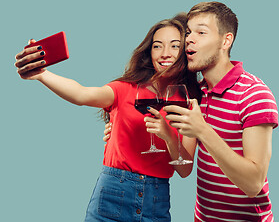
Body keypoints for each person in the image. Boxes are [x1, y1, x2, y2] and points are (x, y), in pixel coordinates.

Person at [14, 13, 201, 222]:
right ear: (149, 52)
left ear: (185, 52)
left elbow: (184, 170)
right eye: (157, 46)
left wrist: (168, 136)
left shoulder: (188, 102)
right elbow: (81, 94)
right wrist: (42, 74)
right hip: (114, 192)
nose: (165, 53)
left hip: (156, 200)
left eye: (175, 46)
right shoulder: (126, 89)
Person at [102, 2, 279, 221]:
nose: (189, 39)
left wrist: (203, 131)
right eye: (188, 32)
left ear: (226, 41)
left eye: (201, 32)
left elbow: (253, 184)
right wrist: (119, 129)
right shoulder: (196, 93)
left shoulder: (254, 94)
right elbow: (183, 165)